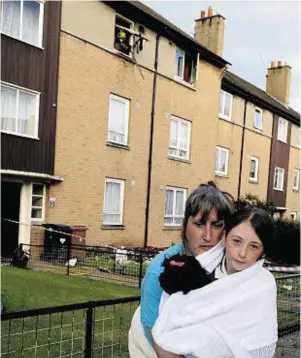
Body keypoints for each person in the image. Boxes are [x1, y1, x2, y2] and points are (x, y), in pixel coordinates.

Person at [152, 207, 278, 358]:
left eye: (254, 246)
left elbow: (260, 342)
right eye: (236, 241)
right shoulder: (197, 272)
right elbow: (167, 327)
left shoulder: (263, 285)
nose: (242, 253)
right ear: (224, 238)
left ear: (263, 251)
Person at [128, 182, 234, 357]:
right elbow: (159, 342)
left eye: (216, 225)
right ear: (184, 226)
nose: (208, 236)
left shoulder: (227, 263)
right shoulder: (158, 272)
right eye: (199, 224)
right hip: (152, 345)